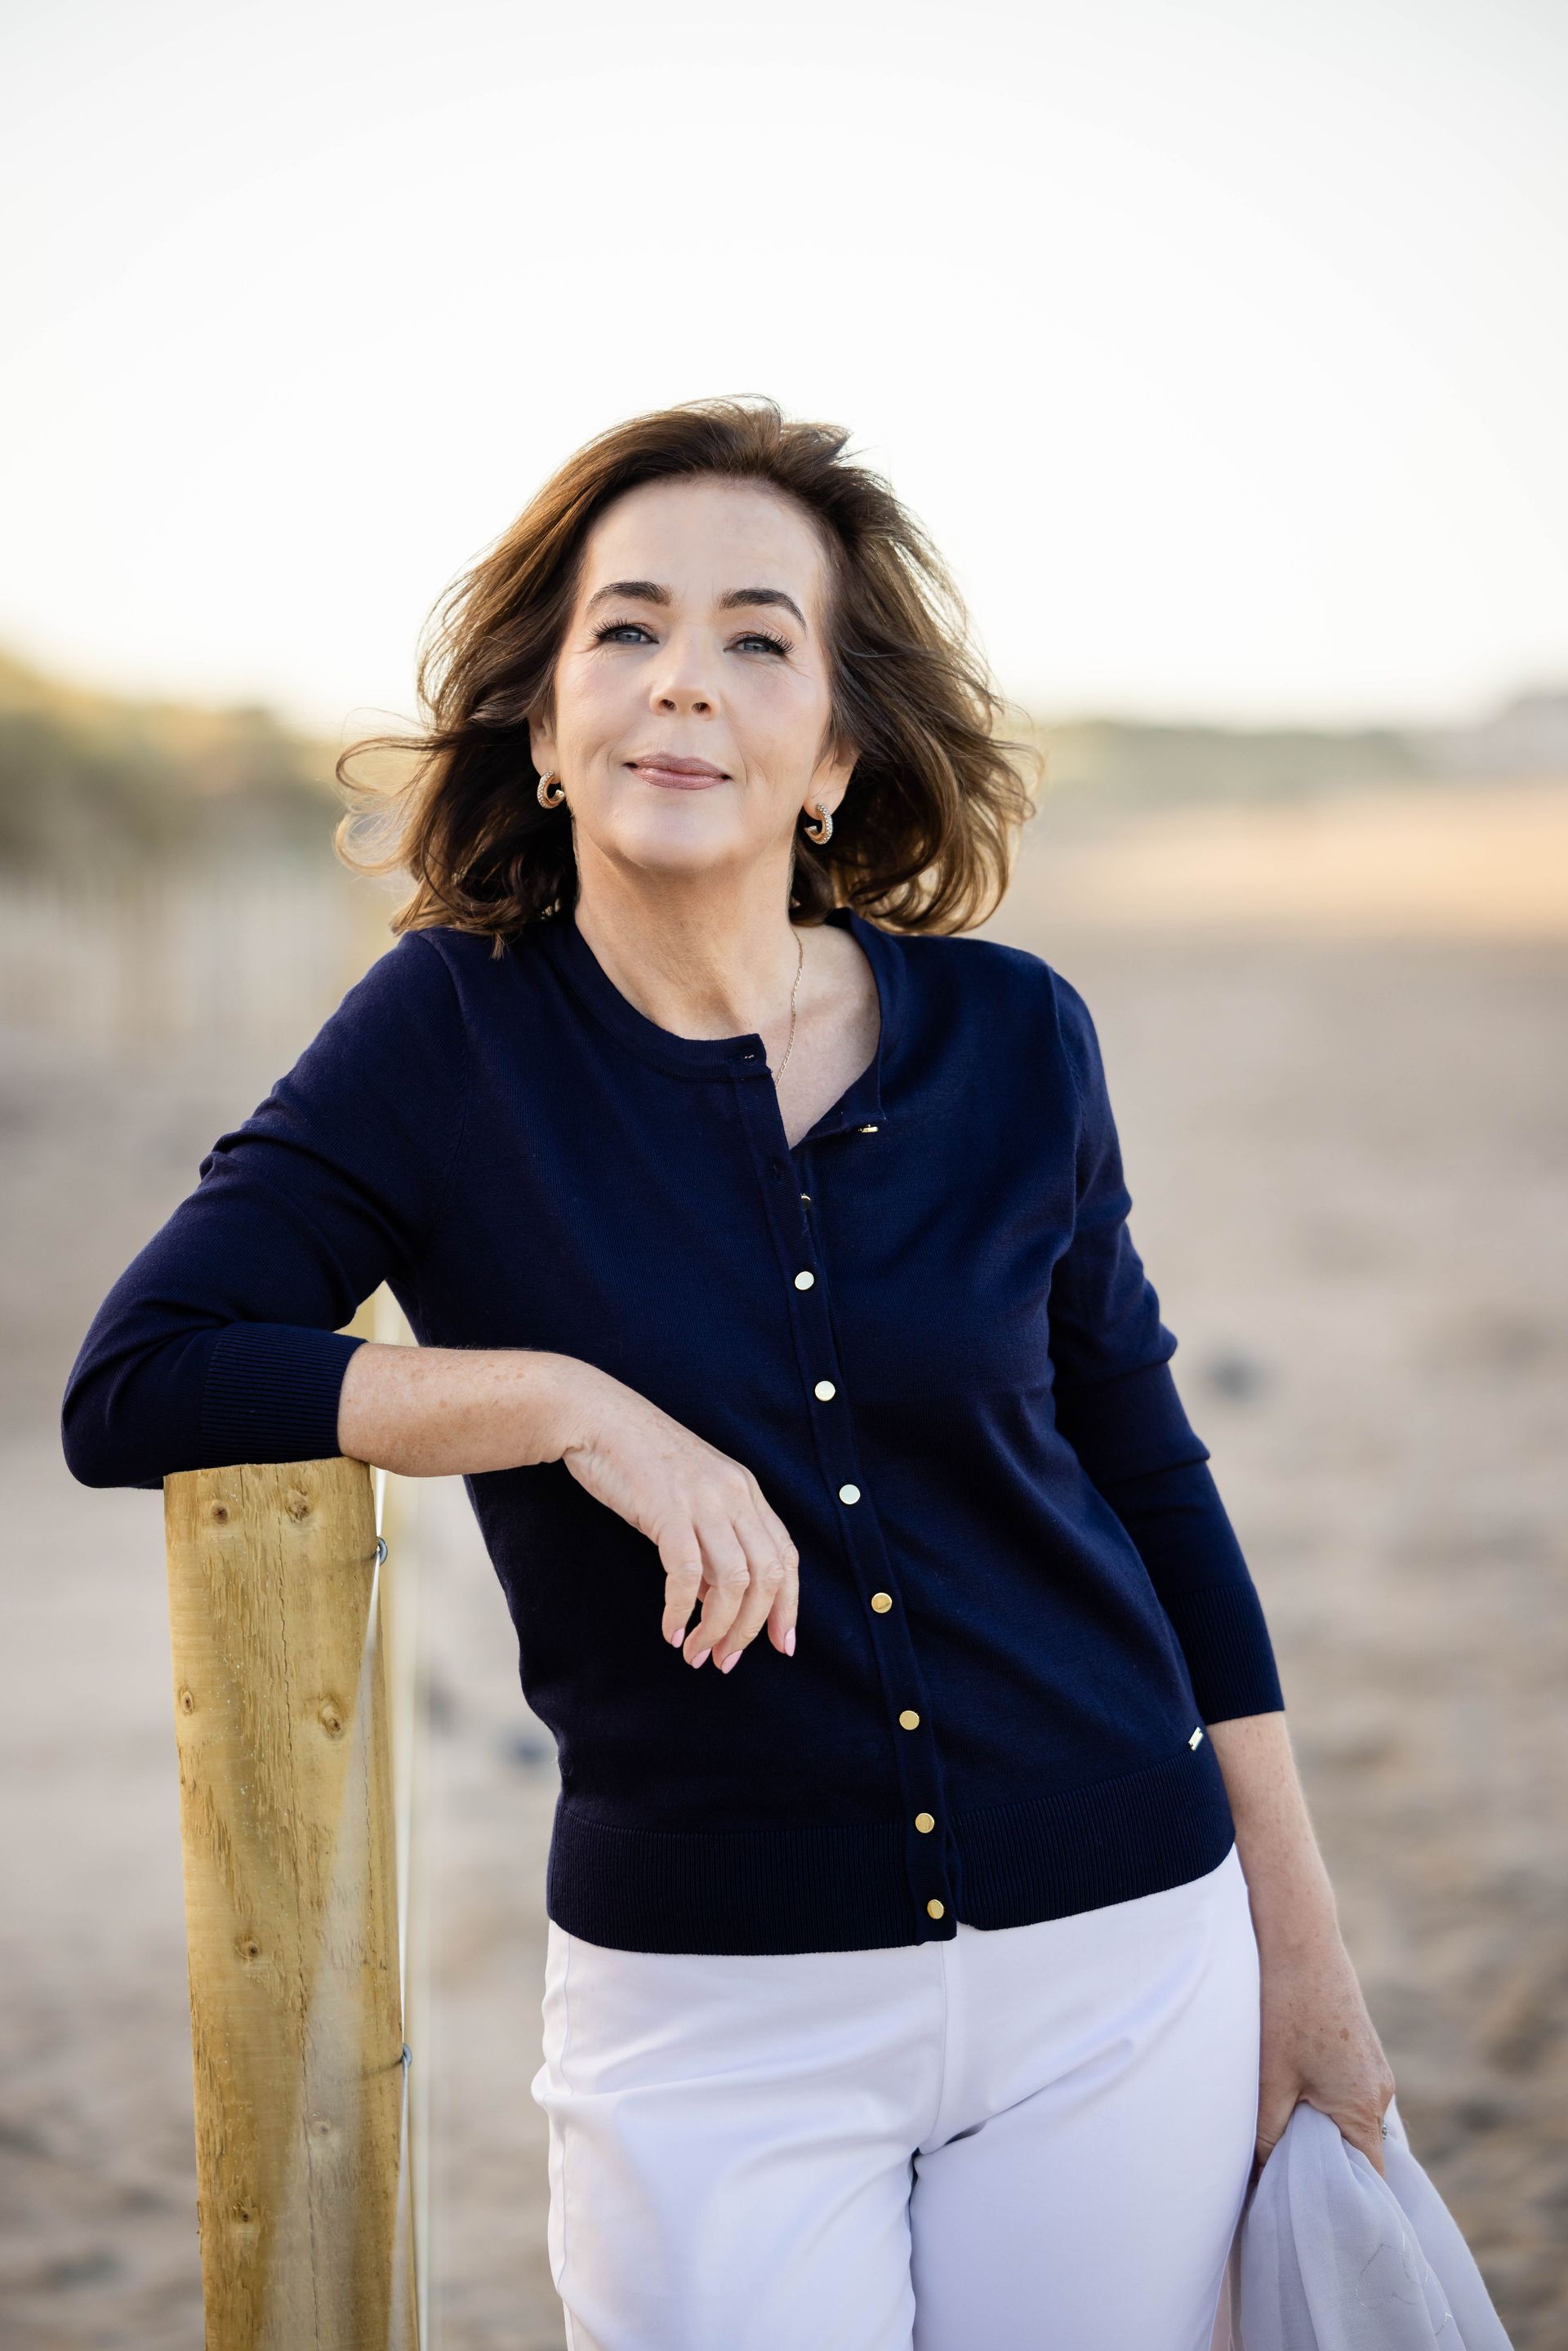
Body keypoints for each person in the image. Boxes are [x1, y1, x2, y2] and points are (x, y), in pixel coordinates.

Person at [61, 395, 1396, 2351]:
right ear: (542, 718)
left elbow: (1151, 1475)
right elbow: (143, 1379)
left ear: (836, 754)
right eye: (628, 629)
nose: (686, 681)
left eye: (761, 639)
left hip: (1122, 1951)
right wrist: (569, 1407)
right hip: (714, 2009)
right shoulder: (446, 1038)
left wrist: (1309, 1951)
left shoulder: (1020, 1037)